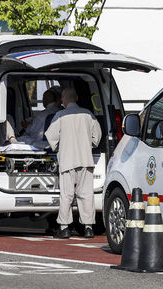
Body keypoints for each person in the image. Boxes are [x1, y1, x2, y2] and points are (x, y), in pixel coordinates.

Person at [45, 87, 102, 239]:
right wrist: (89, 144)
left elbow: (50, 137)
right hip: (85, 160)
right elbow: (97, 137)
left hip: (67, 160)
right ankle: (88, 227)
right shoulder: (88, 115)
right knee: (86, 194)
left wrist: (58, 147)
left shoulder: (60, 115)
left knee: (67, 195)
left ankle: (64, 228)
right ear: (76, 97)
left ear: (63, 100)